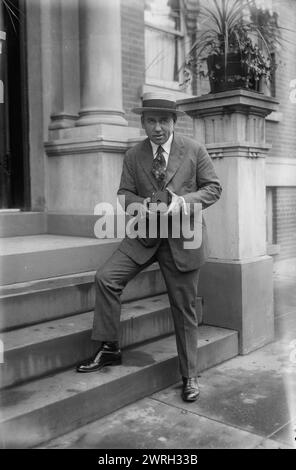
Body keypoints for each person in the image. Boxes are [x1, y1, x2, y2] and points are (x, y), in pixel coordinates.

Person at [76, 92, 222, 402]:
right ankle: (110, 347)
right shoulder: (133, 155)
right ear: (143, 123)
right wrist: (145, 206)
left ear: (173, 122)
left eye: (164, 121)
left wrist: (181, 203)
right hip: (144, 236)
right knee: (106, 278)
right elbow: (124, 193)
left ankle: (190, 375)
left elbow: (213, 189)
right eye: (151, 121)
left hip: (183, 239)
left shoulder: (194, 150)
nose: (158, 127)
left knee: (183, 309)